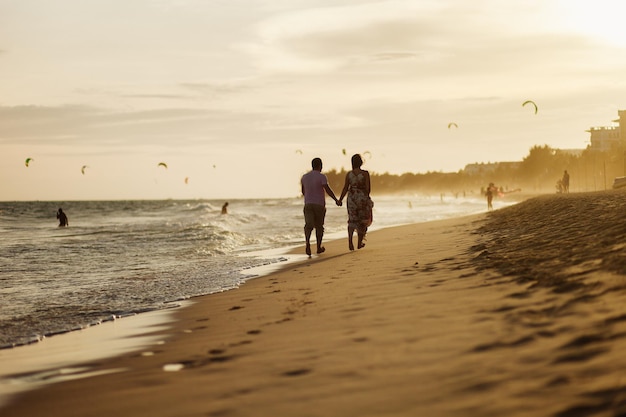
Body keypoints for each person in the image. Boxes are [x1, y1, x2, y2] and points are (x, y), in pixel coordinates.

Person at [301, 157, 341, 256]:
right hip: (319, 205)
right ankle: (318, 247)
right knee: (319, 226)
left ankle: (307, 243)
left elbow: (303, 191)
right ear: (320, 166)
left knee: (308, 225)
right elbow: (327, 189)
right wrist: (336, 200)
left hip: (308, 204)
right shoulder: (322, 176)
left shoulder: (304, 177)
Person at [338, 154, 372, 251]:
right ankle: (359, 243)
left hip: (351, 198)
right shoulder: (365, 173)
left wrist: (340, 199)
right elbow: (368, 188)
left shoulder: (349, 174)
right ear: (361, 162)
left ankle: (350, 242)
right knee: (362, 221)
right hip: (362, 198)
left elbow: (345, 188)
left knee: (352, 220)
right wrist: (365, 198)